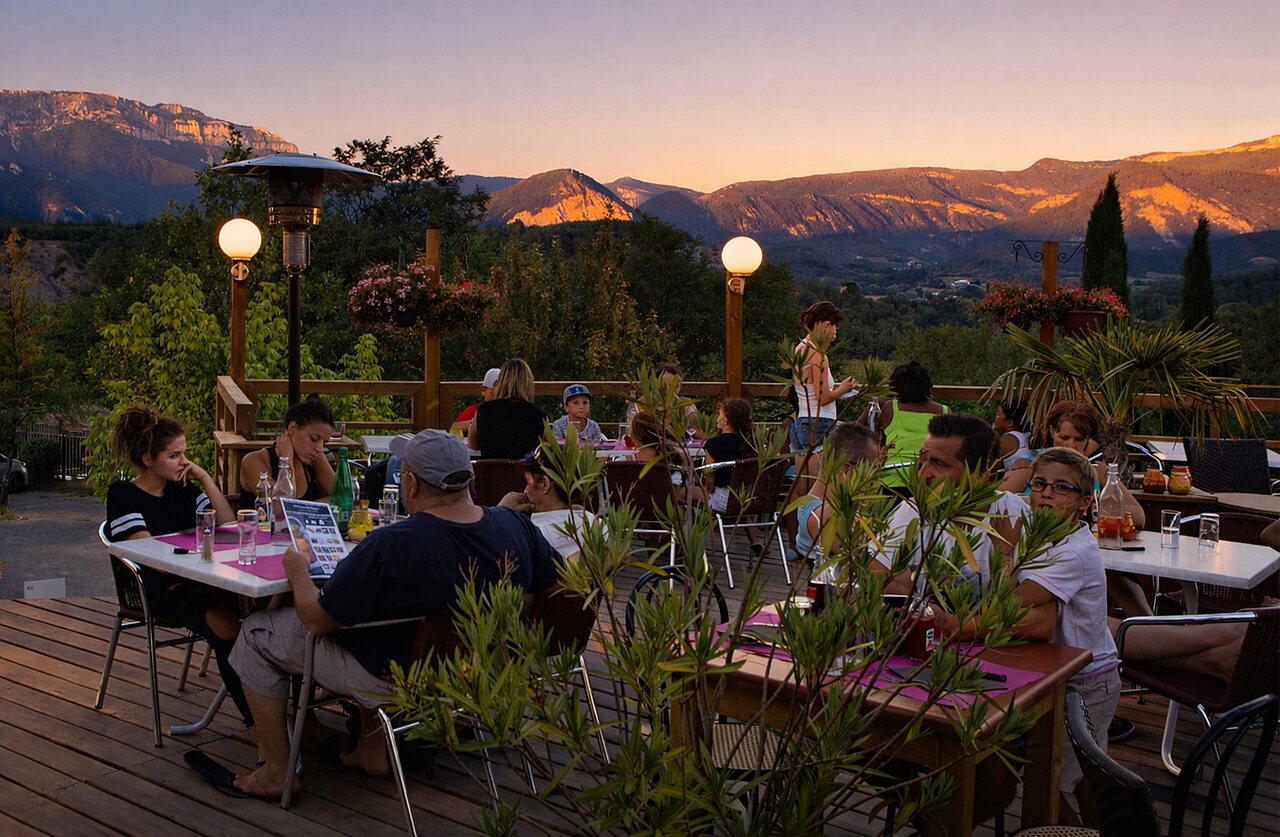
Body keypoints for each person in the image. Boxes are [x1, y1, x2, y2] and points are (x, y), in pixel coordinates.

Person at [228, 429, 560, 798]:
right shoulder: (514, 526)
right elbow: (557, 587)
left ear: (412, 483)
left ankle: (276, 771)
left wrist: (298, 572)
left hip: (395, 677)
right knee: (380, 617)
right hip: (477, 673)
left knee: (257, 632)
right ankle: (371, 751)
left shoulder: (393, 543)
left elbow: (316, 619)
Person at [936, 446, 1121, 826]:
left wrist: (1005, 556)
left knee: (1058, 782)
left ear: (1085, 503)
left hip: (1086, 680)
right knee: (1073, 777)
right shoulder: (1045, 538)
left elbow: (1011, 601)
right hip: (1057, 671)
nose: (1047, 494)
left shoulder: (1073, 552)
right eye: (1039, 484)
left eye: (1062, 488)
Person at [104, 407, 253, 728]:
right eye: (174, 455)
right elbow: (152, 555)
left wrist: (205, 478)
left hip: (204, 580)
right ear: (148, 459)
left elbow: (227, 526)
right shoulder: (124, 495)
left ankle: (292, 723)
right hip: (159, 588)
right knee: (228, 626)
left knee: (263, 619)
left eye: (184, 453)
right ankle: (258, 728)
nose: (184, 462)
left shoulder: (183, 489)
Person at [872, 413, 1027, 597]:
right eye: (923, 461)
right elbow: (874, 571)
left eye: (938, 464)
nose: (923, 474)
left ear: (984, 474)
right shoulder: (915, 510)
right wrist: (928, 612)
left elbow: (1038, 617)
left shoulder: (1017, 516)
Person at [793, 422, 884, 562]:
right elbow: (873, 562)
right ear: (847, 470)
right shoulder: (824, 516)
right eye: (874, 469)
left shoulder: (815, 503)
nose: (878, 477)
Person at [498, 446, 600, 560]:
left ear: (544, 484)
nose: (525, 491)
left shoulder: (535, 535)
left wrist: (500, 513)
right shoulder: (594, 523)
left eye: (528, 482)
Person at [862, 361, 948, 490]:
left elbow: (861, 427)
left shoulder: (891, 408)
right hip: (929, 479)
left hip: (893, 478)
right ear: (928, 387)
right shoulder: (944, 412)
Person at [239, 396, 336, 507]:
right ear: (292, 429)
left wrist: (306, 507)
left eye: (324, 443)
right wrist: (287, 458)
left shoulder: (314, 455)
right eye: (314, 438)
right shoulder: (254, 461)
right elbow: (282, 508)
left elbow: (343, 496)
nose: (319, 448)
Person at [791, 301, 857, 453]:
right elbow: (823, 397)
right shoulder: (817, 355)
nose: (836, 330)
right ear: (827, 325)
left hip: (802, 421)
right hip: (819, 423)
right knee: (825, 474)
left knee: (804, 474)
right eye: (835, 326)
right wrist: (843, 389)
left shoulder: (799, 349)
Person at [702, 398, 760, 552]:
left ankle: (690, 542)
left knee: (686, 494)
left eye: (719, 414)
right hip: (750, 499)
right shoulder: (751, 444)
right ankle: (755, 541)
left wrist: (706, 491)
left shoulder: (713, 444)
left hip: (724, 501)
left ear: (725, 421)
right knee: (739, 499)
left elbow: (709, 481)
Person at [626, 410, 706, 506]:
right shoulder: (673, 459)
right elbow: (677, 493)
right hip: (667, 513)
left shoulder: (625, 463)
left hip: (636, 512)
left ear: (634, 435)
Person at [469, 358, 545, 459]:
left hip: (491, 473)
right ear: (528, 384)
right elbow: (546, 448)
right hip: (523, 473)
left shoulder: (483, 411)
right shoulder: (537, 414)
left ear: (501, 381)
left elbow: (473, 445)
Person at [450, 367, 500, 439]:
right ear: (483, 390)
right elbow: (454, 427)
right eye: (493, 393)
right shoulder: (475, 410)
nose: (497, 397)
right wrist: (473, 423)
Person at [994, 399, 1035, 475]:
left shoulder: (1008, 440)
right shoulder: (1028, 435)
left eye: (998, 414)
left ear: (1010, 423)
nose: (995, 416)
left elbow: (994, 465)